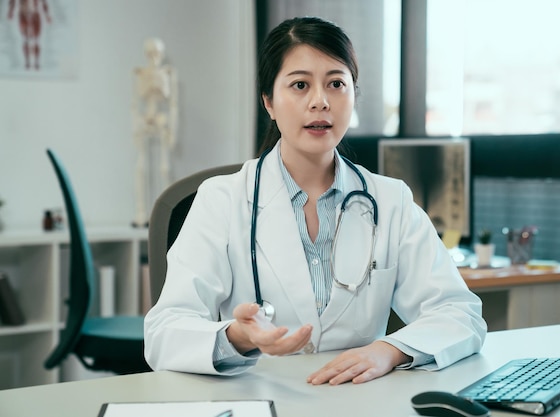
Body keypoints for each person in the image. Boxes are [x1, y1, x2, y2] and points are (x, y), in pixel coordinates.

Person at [144, 16, 486, 385]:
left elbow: (459, 312)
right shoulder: (222, 200)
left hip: (359, 401)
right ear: (269, 102)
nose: (320, 101)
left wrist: (389, 350)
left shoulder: (390, 201)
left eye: (337, 83)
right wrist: (238, 338)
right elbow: (165, 332)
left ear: (354, 95)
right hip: (262, 398)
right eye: (300, 85)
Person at [131, 37, 178, 227]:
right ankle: (141, 212)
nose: (153, 58)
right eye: (150, 53)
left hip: (161, 120)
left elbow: (173, 104)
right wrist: (137, 126)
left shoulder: (168, 73)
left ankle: (164, 215)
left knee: (163, 167)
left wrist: (172, 128)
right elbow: (134, 104)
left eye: (156, 53)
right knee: (142, 167)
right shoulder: (139, 73)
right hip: (146, 121)